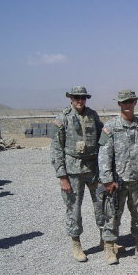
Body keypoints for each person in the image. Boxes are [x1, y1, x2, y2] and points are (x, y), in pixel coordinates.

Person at [98, 90, 138, 265]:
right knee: (113, 214)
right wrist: (107, 179)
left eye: (130, 101)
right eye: (124, 102)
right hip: (118, 180)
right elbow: (104, 155)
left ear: (135, 103)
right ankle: (110, 246)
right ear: (119, 104)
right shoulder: (110, 127)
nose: (127, 105)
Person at [51, 86, 104, 262]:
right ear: (71, 99)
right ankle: (76, 244)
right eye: (76, 98)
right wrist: (62, 177)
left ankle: (105, 240)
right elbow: (56, 149)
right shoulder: (62, 118)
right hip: (72, 171)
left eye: (83, 98)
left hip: (93, 169)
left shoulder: (92, 115)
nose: (80, 101)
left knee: (101, 204)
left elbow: (102, 138)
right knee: (73, 208)